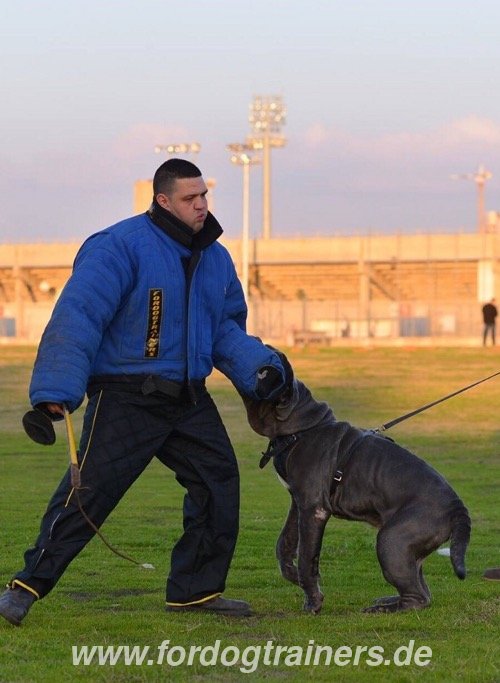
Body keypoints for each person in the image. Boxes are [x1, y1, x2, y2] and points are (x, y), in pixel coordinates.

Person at [0, 159, 287, 626]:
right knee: (87, 496)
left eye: (204, 196)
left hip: (188, 398)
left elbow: (225, 329)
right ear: (163, 200)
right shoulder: (119, 247)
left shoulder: (215, 257)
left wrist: (261, 369)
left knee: (218, 484)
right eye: (190, 198)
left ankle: (195, 592)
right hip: (127, 396)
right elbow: (79, 317)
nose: (201, 206)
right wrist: (57, 388)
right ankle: (25, 587)